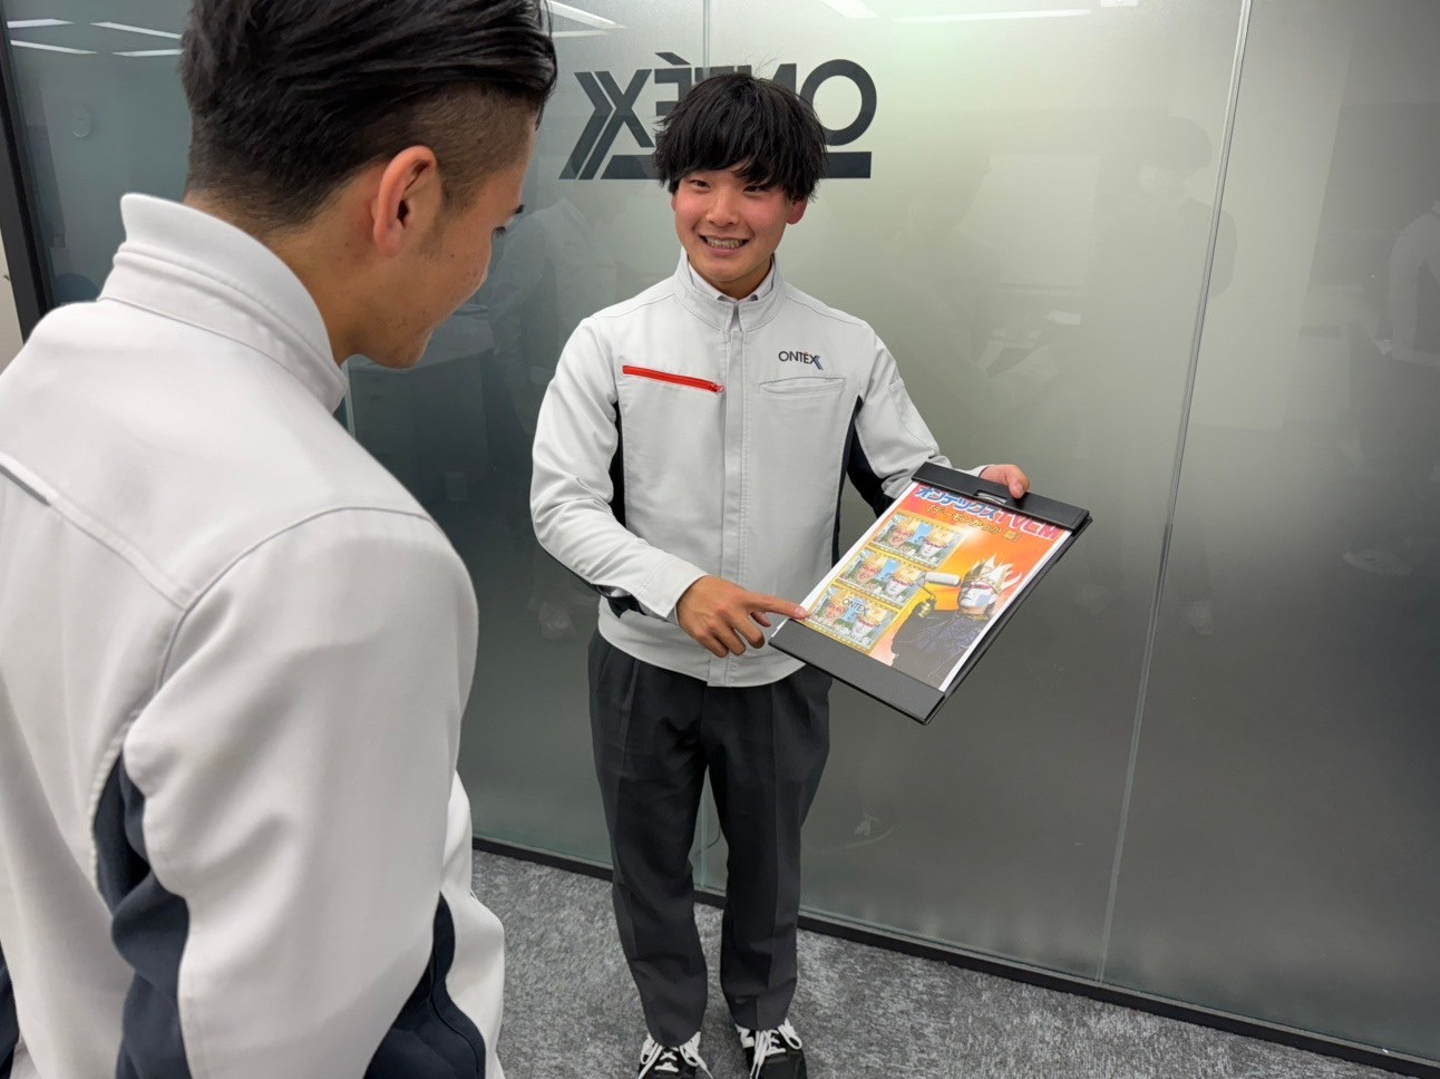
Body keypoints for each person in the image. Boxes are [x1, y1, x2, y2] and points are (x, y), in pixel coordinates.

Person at [0, 1, 554, 1075]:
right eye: (497, 228)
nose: (485, 266)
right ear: (407, 198)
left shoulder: (41, 381)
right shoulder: (334, 553)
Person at [530, 73, 1028, 1079]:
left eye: (754, 187)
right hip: (643, 662)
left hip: (782, 667)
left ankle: (765, 1014)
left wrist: (979, 500)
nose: (722, 212)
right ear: (671, 190)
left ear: (795, 202)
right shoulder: (610, 341)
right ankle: (671, 1030)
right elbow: (562, 505)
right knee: (648, 860)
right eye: (699, 183)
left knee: (770, 861)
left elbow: (908, 486)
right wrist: (679, 587)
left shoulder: (845, 347)